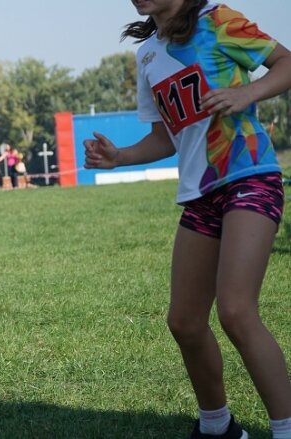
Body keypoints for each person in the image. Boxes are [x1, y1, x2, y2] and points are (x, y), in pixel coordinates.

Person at [84, 2, 291, 438]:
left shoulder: (219, 20)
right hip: (200, 195)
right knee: (184, 322)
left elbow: (286, 63)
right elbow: (165, 136)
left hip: (249, 177)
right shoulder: (148, 55)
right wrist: (120, 157)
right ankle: (217, 428)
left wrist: (247, 92)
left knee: (236, 311)